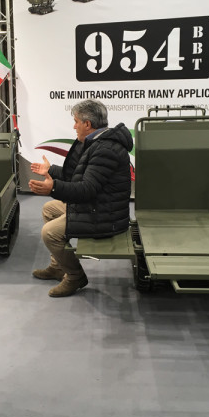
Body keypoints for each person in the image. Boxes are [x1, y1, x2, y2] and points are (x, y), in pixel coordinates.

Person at [29, 99, 133, 297]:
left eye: (76, 121)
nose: (74, 126)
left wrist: (53, 188)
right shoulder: (95, 142)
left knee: (49, 233)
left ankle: (75, 276)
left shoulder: (105, 149)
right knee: (50, 209)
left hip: (105, 217)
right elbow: (77, 176)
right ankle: (58, 266)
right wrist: (50, 170)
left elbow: (86, 189)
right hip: (100, 207)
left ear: (87, 124)